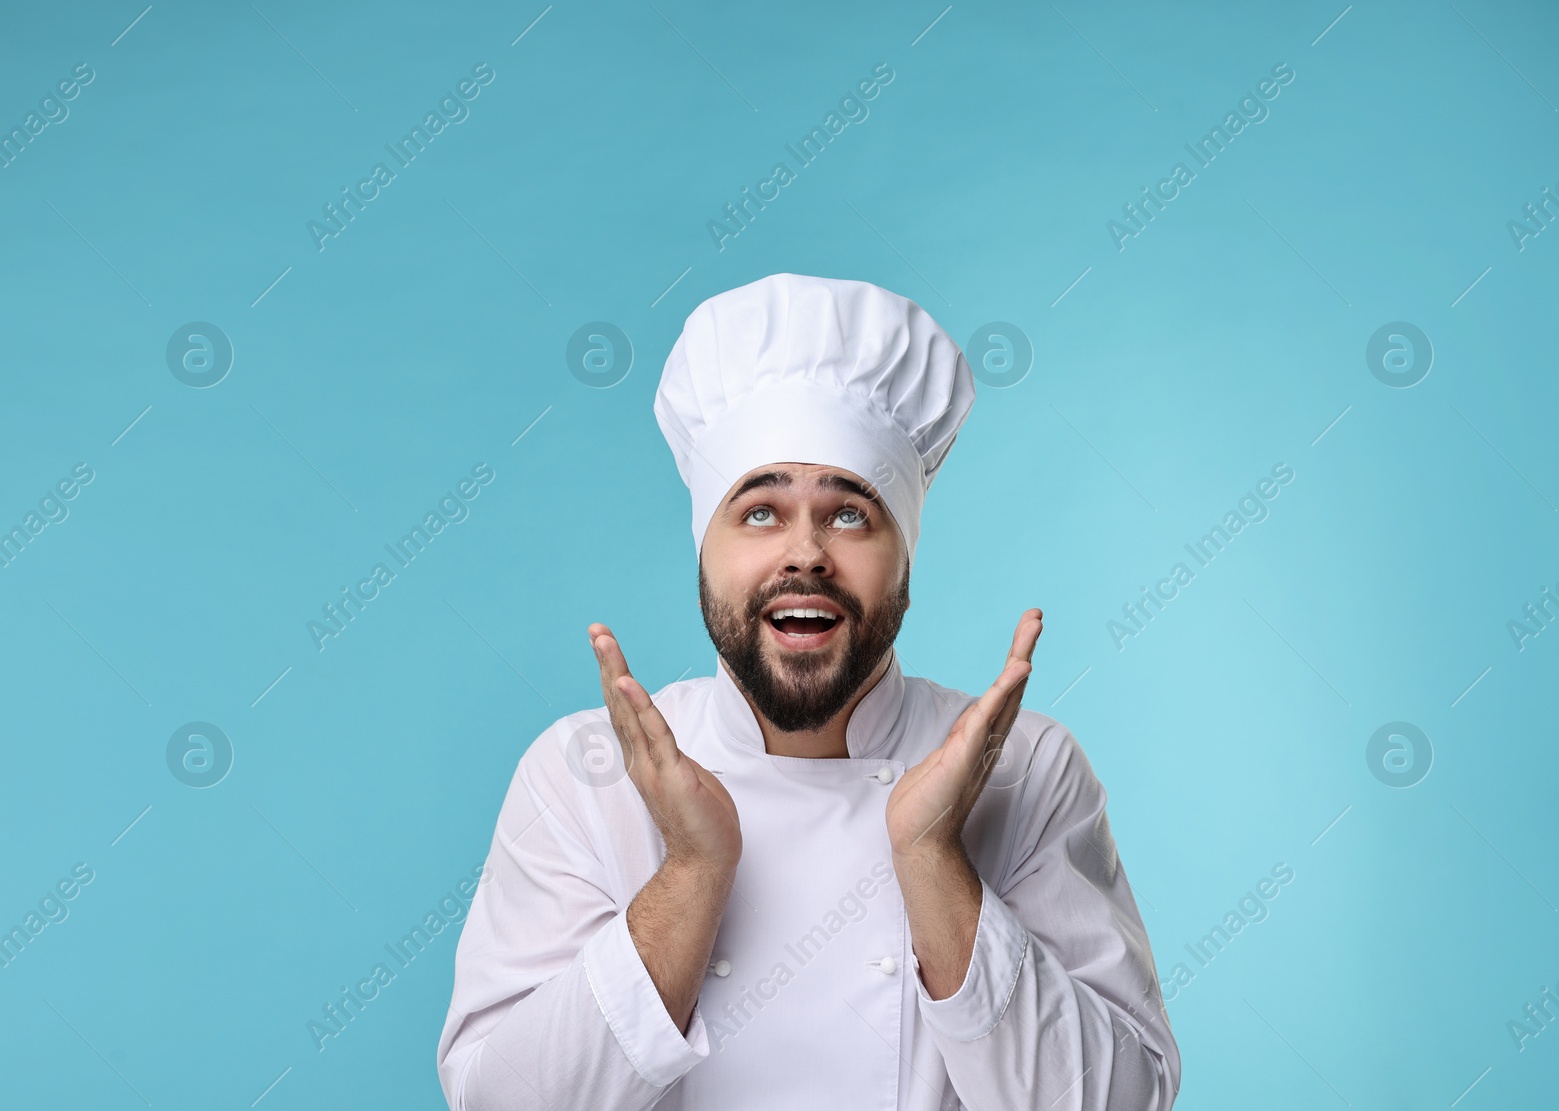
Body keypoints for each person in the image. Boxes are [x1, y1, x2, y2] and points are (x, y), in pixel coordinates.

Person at [436, 273, 1179, 1110]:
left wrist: (933, 858)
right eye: (759, 511)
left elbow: (1122, 1100)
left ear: (907, 556)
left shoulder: (1025, 767)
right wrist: (693, 869)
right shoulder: (584, 773)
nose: (806, 553)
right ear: (703, 548)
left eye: (851, 513)